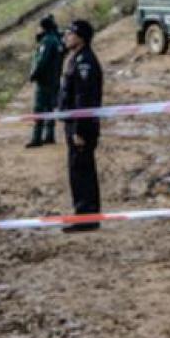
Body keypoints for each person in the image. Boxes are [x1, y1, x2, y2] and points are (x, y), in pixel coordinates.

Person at [57, 19, 103, 232]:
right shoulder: (75, 58)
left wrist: (78, 130)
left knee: (82, 171)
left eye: (70, 34)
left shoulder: (85, 63)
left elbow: (84, 100)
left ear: (81, 37)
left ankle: (86, 217)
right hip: (75, 124)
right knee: (78, 171)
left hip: (81, 127)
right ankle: (85, 215)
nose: (66, 37)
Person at [26, 14, 64, 148]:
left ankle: (37, 137)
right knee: (50, 108)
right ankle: (49, 135)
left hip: (45, 81)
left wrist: (34, 74)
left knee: (39, 108)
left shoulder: (47, 41)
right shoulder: (58, 40)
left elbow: (42, 61)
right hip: (55, 79)